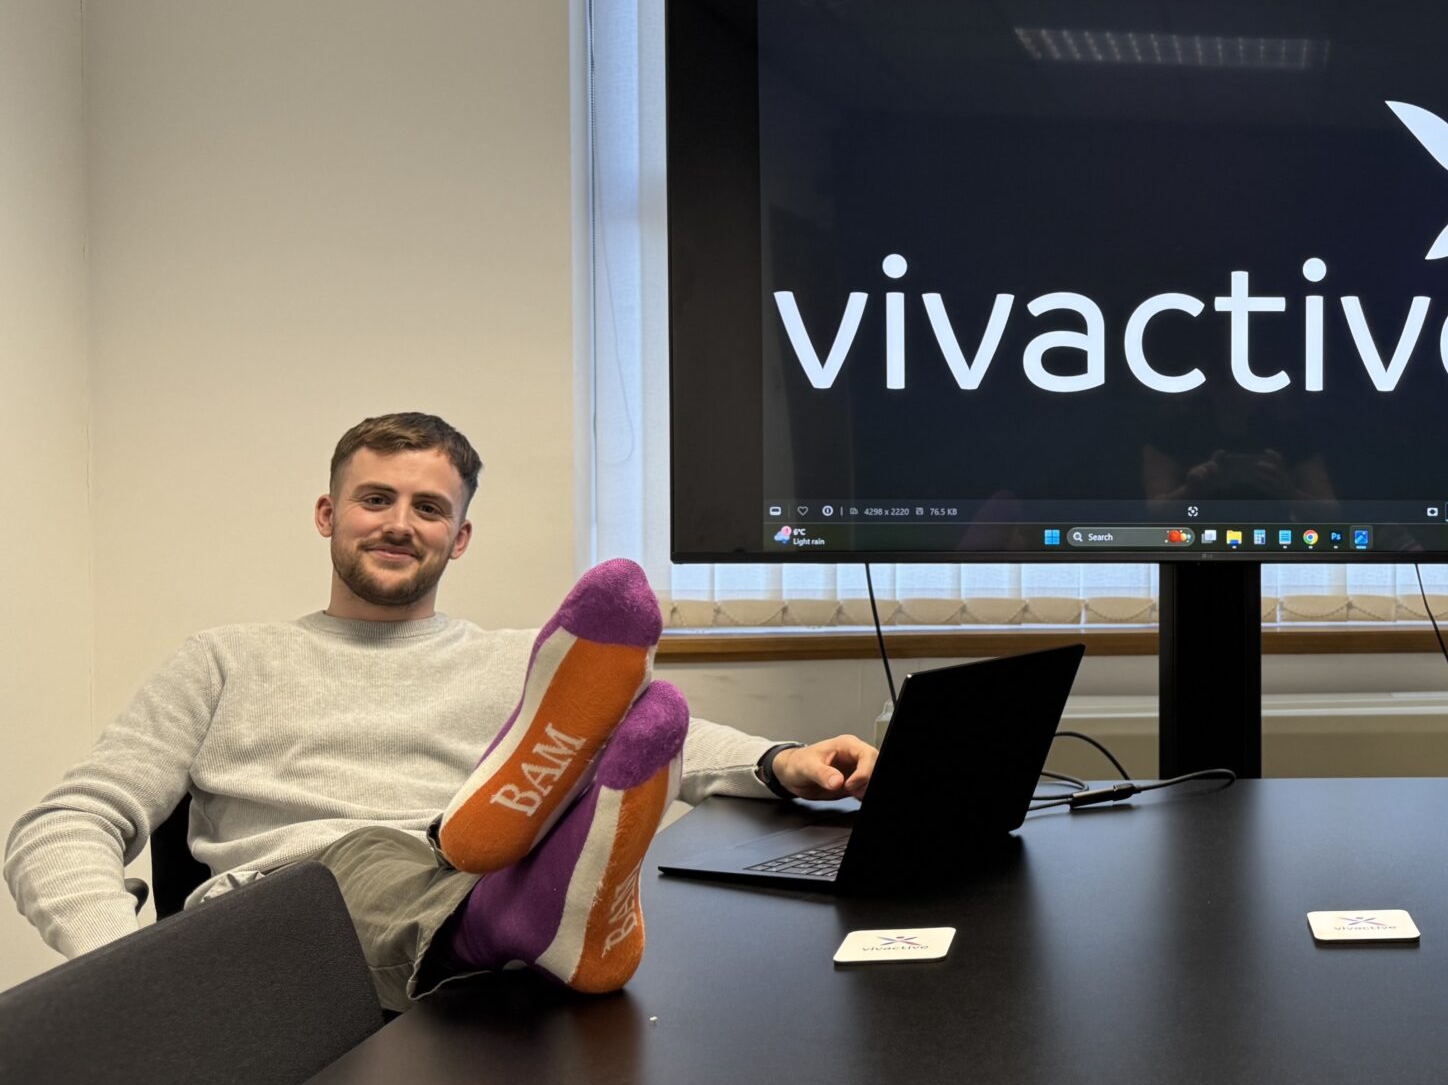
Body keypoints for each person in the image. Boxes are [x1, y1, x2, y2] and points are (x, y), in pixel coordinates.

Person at [4, 413, 878, 1011]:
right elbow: (64, 822)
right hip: (279, 924)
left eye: (429, 508)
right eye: (375, 499)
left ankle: (514, 883)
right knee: (365, 856)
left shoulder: (515, 663)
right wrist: (118, 961)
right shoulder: (226, 660)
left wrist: (781, 760)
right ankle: (521, 908)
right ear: (328, 514)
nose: (399, 524)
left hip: (462, 900)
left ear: (459, 538)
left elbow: (654, 735)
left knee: (574, 765)